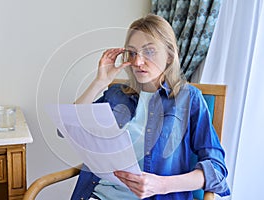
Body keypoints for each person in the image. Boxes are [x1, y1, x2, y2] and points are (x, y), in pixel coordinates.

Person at [71, 14, 230, 200]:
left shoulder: (189, 99)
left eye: (149, 51)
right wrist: (100, 82)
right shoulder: (116, 94)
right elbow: (72, 126)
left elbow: (217, 169)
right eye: (132, 53)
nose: (138, 62)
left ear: (169, 56)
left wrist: (161, 185)